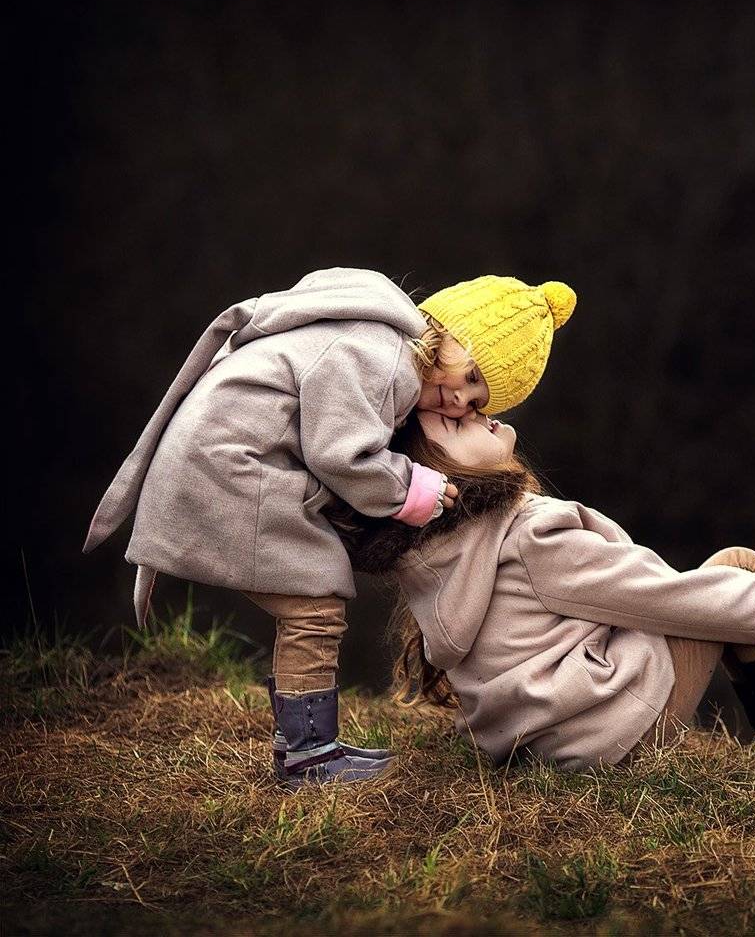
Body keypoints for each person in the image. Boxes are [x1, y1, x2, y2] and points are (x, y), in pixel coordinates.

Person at [83, 267, 576, 787]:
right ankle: (309, 756)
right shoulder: (383, 360)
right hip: (232, 468)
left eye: (477, 404)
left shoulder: (373, 341)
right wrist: (411, 487)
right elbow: (340, 454)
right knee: (314, 606)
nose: (460, 403)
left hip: (223, 462)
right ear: (453, 335)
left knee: (312, 596)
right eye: (472, 377)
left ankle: (302, 746)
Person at [337, 408, 755, 771]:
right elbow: (660, 597)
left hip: (540, 741)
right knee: (740, 569)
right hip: (609, 733)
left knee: (724, 591)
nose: (476, 412)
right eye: (457, 423)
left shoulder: (436, 551)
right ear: (445, 472)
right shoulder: (530, 536)